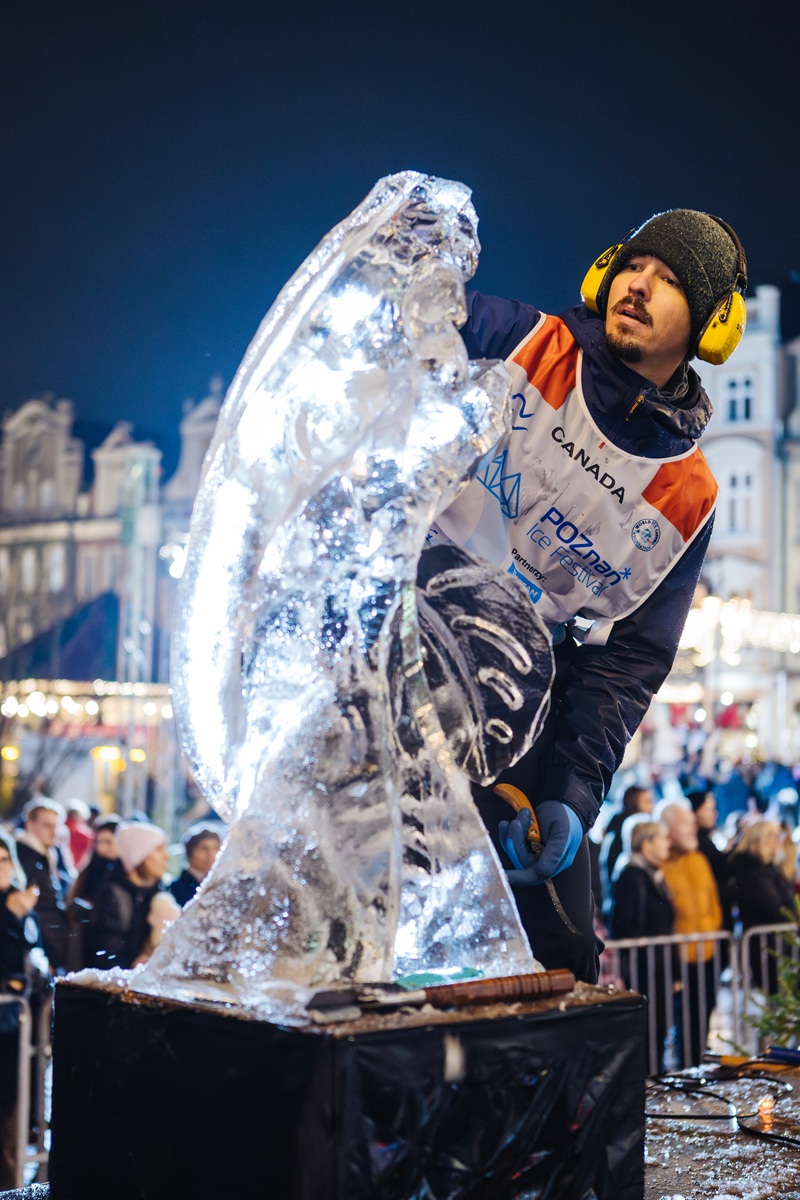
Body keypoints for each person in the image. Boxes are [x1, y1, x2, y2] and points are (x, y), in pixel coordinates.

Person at [429, 209, 747, 982]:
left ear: (711, 329)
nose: (640, 284)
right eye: (635, 264)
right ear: (605, 271)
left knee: (566, 952)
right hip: (405, 640)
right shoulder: (522, 340)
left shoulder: (689, 496)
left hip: (520, 702)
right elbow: (407, 324)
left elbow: (625, 665)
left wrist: (573, 792)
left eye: (671, 281)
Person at [0, 832, 50, 1189]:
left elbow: (35, 955)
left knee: (13, 1110)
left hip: (17, 1027)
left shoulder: (18, 904)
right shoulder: (10, 909)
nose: (2, 868)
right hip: (9, 1019)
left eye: (4, 860)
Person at [657, 799, 723, 1066]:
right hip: (678, 961)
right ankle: (679, 1073)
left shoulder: (699, 859)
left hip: (706, 955)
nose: (693, 826)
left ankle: (696, 1069)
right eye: (685, 822)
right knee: (677, 1022)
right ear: (669, 829)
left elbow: (713, 903)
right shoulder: (662, 865)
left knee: (702, 1018)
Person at [609, 817, 674, 1072]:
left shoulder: (651, 874)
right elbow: (626, 924)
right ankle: (648, 1086)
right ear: (646, 845)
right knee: (648, 1031)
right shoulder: (632, 875)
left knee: (657, 1030)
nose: (667, 843)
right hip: (644, 969)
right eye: (662, 838)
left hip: (654, 967)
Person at [85, 821, 179, 971]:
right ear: (139, 855)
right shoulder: (113, 895)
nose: (166, 856)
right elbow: (107, 954)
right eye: (158, 849)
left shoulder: (161, 896)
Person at [725, 818, 795, 994]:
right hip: (768, 947)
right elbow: (775, 908)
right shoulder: (752, 872)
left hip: (779, 945)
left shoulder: (771, 869)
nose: (777, 841)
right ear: (758, 840)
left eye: (778, 835)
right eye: (772, 836)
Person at [14, 797, 78, 973]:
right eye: (47, 825)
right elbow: (34, 911)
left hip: (53, 949)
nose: (54, 831)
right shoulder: (24, 858)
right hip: (44, 953)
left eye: (56, 826)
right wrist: (43, 955)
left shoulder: (49, 856)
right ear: (30, 825)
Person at [599, 785, 654, 919]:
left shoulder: (617, 830)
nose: (652, 806)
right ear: (633, 803)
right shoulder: (621, 835)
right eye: (647, 801)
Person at [169, 822, 223, 907]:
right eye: (204, 848)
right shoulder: (175, 888)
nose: (211, 855)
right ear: (190, 851)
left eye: (216, 848)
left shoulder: (220, 883)